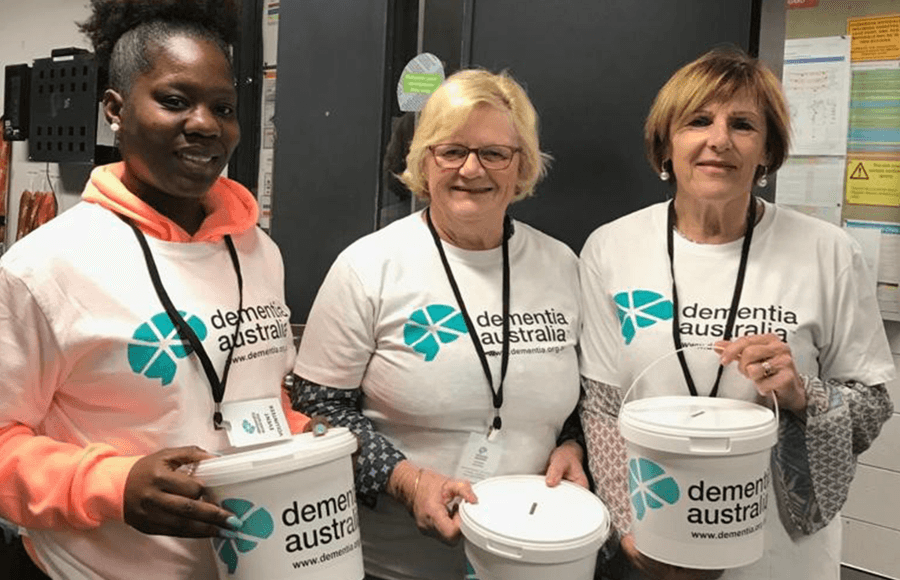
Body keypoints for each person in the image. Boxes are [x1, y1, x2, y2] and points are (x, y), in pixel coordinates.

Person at [0, 1, 305, 578]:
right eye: (174, 100)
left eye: (223, 107)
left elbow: (259, 396)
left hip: (246, 563)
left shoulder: (258, 253)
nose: (205, 124)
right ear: (114, 110)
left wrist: (307, 442)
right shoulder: (44, 267)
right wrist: (115, 485)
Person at [578, 47, 895, 580]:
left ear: (767, 151)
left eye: (743, 124)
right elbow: (603, 408)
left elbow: (873, 409)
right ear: (665, 146)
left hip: (780, 550)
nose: (718, 140)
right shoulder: (611, 248)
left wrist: (800, 393)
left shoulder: (829, 252)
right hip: (659, 536)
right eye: (698, 121)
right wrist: (630, 530)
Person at [290, 69, 588, 580]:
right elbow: (315, 407)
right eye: (451, 150)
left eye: (494, 153)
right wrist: (406, 480)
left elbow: (579, 396)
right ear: (424, 162)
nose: (472, 170)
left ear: (521, 168)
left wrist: (572, 444)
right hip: (394, 564)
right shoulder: (369, 267)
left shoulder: (561, 265)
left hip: (530, 557)